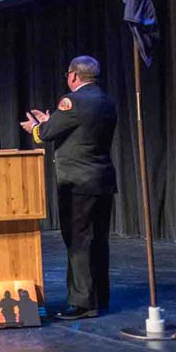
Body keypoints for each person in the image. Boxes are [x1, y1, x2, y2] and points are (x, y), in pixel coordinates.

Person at [20, 55, 117, 320]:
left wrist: (37, 127)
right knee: (98, 239)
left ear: (73, 75)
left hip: (77, 183)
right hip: (102, 180)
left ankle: (83, 303)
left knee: (78, 240)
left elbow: (46, 133)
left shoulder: (72, 101)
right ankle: (99, 296)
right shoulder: (106, 101)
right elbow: (76, 130)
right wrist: (52, 121)